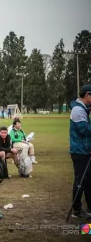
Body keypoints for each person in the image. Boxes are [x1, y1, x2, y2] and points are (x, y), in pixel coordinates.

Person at [69, 84, 91, 219]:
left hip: (85, 149)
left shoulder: (83, 108)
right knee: (80, 180)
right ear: (87, 95)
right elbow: (84, 130)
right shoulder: (78, 110)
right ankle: (77, 209)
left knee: (89, 180)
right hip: (79, 150)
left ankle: (90, 206)